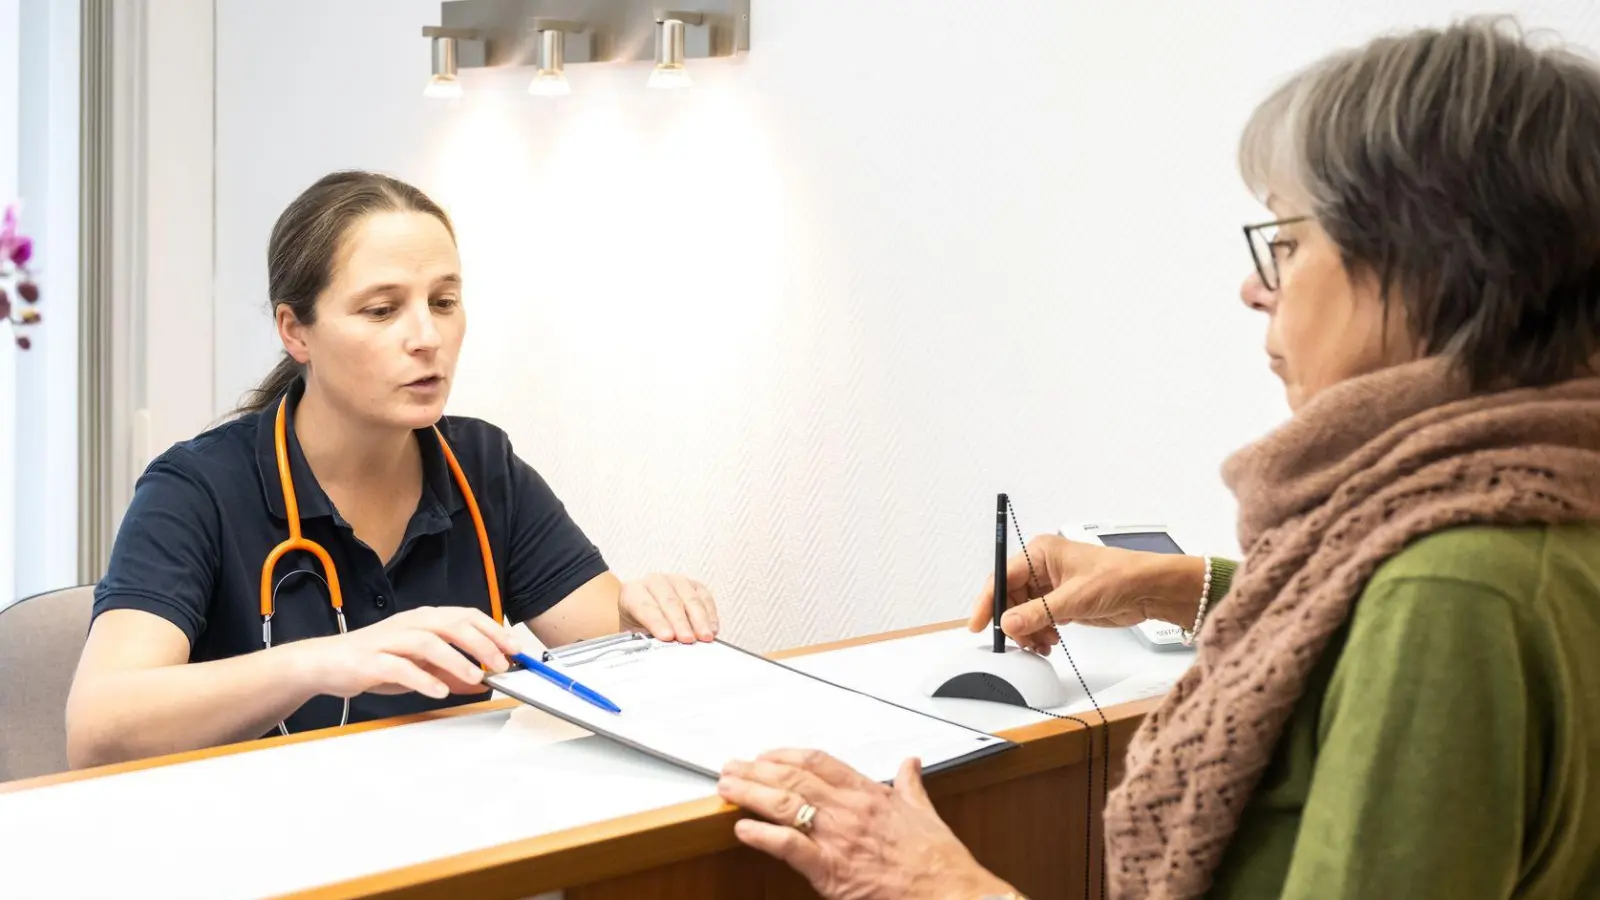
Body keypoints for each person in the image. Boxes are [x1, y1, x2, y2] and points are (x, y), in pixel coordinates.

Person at [715, 17, 1600, 900]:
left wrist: (936, 885)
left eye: (1285, 245)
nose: (1256, 289)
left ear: (1424, 265)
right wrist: (1177, 587)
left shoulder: (1448, 595)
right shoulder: (1553, 497)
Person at [64, 171, 722, 769]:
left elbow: (616, 659)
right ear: (295, 332)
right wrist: (321, 663)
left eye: (443, 301)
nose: (427, 337)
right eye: (382, 310)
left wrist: (649, 621)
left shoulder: (481, 467)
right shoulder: (199, 488)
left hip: (447, 842)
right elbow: (99, 727)